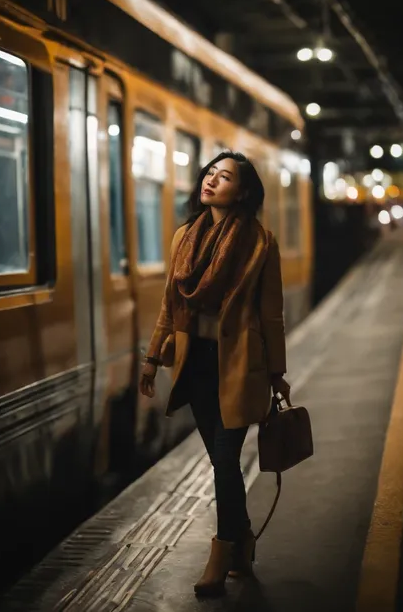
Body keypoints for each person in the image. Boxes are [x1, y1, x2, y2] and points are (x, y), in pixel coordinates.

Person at [140, 150, 291, 597]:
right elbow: (171, 304)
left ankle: (221, 554)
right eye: (210, 173)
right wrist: (152, 358)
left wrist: (277, 371)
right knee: (220, 463)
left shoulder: (261, 243)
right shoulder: (183, 237)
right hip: (196, 366)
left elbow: (271, 314)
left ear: (241, 191)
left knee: (225, 462)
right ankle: (243, 543)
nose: (211, 181)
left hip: (239, 366)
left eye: (223, 177)